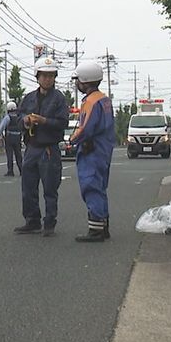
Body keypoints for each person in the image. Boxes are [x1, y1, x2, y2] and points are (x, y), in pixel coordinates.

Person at [14, 59, 69, 237]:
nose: (47, 79)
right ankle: (32, 221)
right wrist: (26, 120)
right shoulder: (29, 97)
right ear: (37, 77)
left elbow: (63, 122)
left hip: (49, 148)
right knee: (28, 186)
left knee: (50, 187)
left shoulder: (59, 98)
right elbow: (19, 117)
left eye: (51, 76)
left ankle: (49, 223)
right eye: (44, 75)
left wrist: (44, 121)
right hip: (31, 147)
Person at [66, 62, 115, 242]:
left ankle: (96, 230)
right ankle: (103, 226)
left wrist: (71, 140)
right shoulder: (104, 99)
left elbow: (86, 128)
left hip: (91, 151)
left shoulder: (90, 102)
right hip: (104, 150)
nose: (77, 83)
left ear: (85, 80)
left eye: (78, 80)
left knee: (91, 186)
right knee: (100, 187)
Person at [0, 101, 24, 176]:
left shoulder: (7, 117)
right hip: (18, 138)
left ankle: (10, 171)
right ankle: (22, 170)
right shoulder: (19, 117)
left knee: (10, 155)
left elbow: (1, 128)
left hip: (9, 138)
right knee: (18, 155)